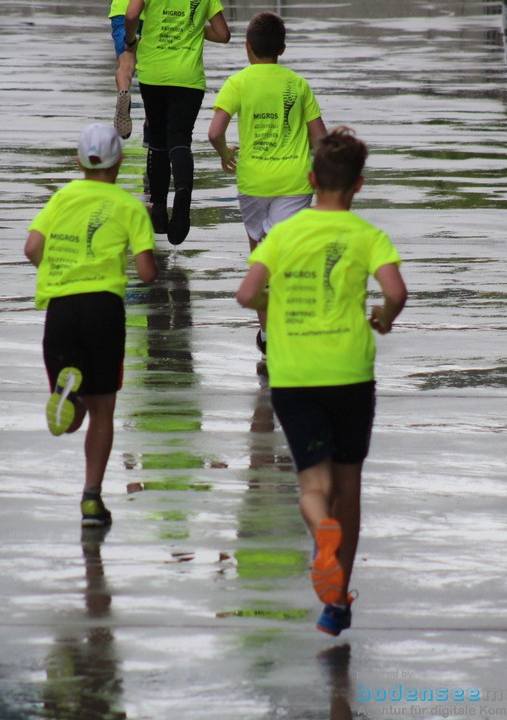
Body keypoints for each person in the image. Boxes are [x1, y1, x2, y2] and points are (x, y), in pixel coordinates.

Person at [235, 127, 407, 636]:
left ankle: (319, 528)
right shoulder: (368, 235)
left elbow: (246, 294)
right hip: (351, 374)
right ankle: (337, 601)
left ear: (311, 179)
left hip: (296, 375)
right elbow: (397, 291)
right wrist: (384, 317)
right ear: (358, 185)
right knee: (349, 486)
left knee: (315, 484)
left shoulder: (283, 235)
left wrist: (275, 304)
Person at [24, 123, 158, 526]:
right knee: (104, 411)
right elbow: (147, 272)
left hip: (61, 309)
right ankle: (91, 500)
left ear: (79, 161)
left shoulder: (62, 197)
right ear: (119, 162)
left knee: (73, 419)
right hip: (103, 309)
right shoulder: (130, 206)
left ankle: (72, 394)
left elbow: (31, 247)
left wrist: (59, 271)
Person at [208, 12, 327, 360]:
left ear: (247, 48)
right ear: (282, 49)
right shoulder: (298, 85)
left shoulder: (238, 83)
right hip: (294, 182)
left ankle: (267, 334)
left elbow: (214, 132)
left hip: (253, 182)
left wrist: (225, 153)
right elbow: (320, 138)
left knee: (261, 260)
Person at [126, 0, 230, 245]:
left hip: (153, 72)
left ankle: (159, 208)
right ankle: (183, 194)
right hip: (188, 78)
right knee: (180, 139)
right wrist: (192, 28)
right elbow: (223, 34)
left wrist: (130, 41)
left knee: (158, 138)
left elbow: (131, 14)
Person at [108, 0, 138, 139]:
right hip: (153, 12)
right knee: (151, 68)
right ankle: (151, 127)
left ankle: (123, 90)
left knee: (126, 62)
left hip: (122, 10)